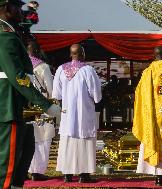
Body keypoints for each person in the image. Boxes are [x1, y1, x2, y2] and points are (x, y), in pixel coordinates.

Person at [0, 1, 61, 189]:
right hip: (9, 105)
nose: (21, 11)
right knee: (8, 164)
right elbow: (18, 77)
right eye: (17, 8)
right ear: (6, 9)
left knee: (24, 155)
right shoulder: (5, 37)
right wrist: (45, 105)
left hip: (19, 107)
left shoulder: (11, 33)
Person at [52, 44, 102, 183]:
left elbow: (57, 94)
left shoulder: (60, 70)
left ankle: (67, 174)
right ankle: (83, 175)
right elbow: (97, 96)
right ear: (83, 54)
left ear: (70, 54)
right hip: (84, 114)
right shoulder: (88, 70)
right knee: (84, 141)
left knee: (67, 142)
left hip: (67, 115)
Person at [133, 46, 162, 186]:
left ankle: (157, 177)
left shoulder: (147, 73)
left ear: (154, 55)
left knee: (153, 138)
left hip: (153, 117)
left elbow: (139, 96)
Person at [27, 41, 55, 181]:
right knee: (44, 140)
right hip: (43, 108)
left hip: (26, 108)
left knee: (29, 139)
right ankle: (37, 172)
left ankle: (28, 169)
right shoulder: (43, 67)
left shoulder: (20, 65)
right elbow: (51, 90)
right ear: (38, 51)